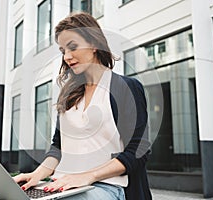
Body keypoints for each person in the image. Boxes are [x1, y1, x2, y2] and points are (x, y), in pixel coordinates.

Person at [13, 12, 152, 200]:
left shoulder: (126, 87)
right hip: (62, 185)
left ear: (94, 43)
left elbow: (138, 151)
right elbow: (58, 147)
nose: (67, 57)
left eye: (73, 47)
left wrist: (87, 176)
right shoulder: (70, 95)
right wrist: (36, 175)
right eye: (63, 51)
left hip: (109, 187)